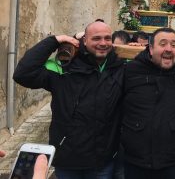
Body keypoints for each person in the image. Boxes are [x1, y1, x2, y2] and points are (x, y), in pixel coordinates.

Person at [13, 21, 125, 179]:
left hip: (102, 160)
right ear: (84, 41)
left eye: (107, 38)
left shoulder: (121, 69)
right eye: (96, 38)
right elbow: (23, 74)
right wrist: (55, 40)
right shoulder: (63, 68)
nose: (103, 43)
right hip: (67, 159)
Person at [121, 27, 175, 179]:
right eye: (163, 44)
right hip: (136, 162)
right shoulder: (131, 70)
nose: (169, 49)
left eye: (173, 45)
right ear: (150, 49)